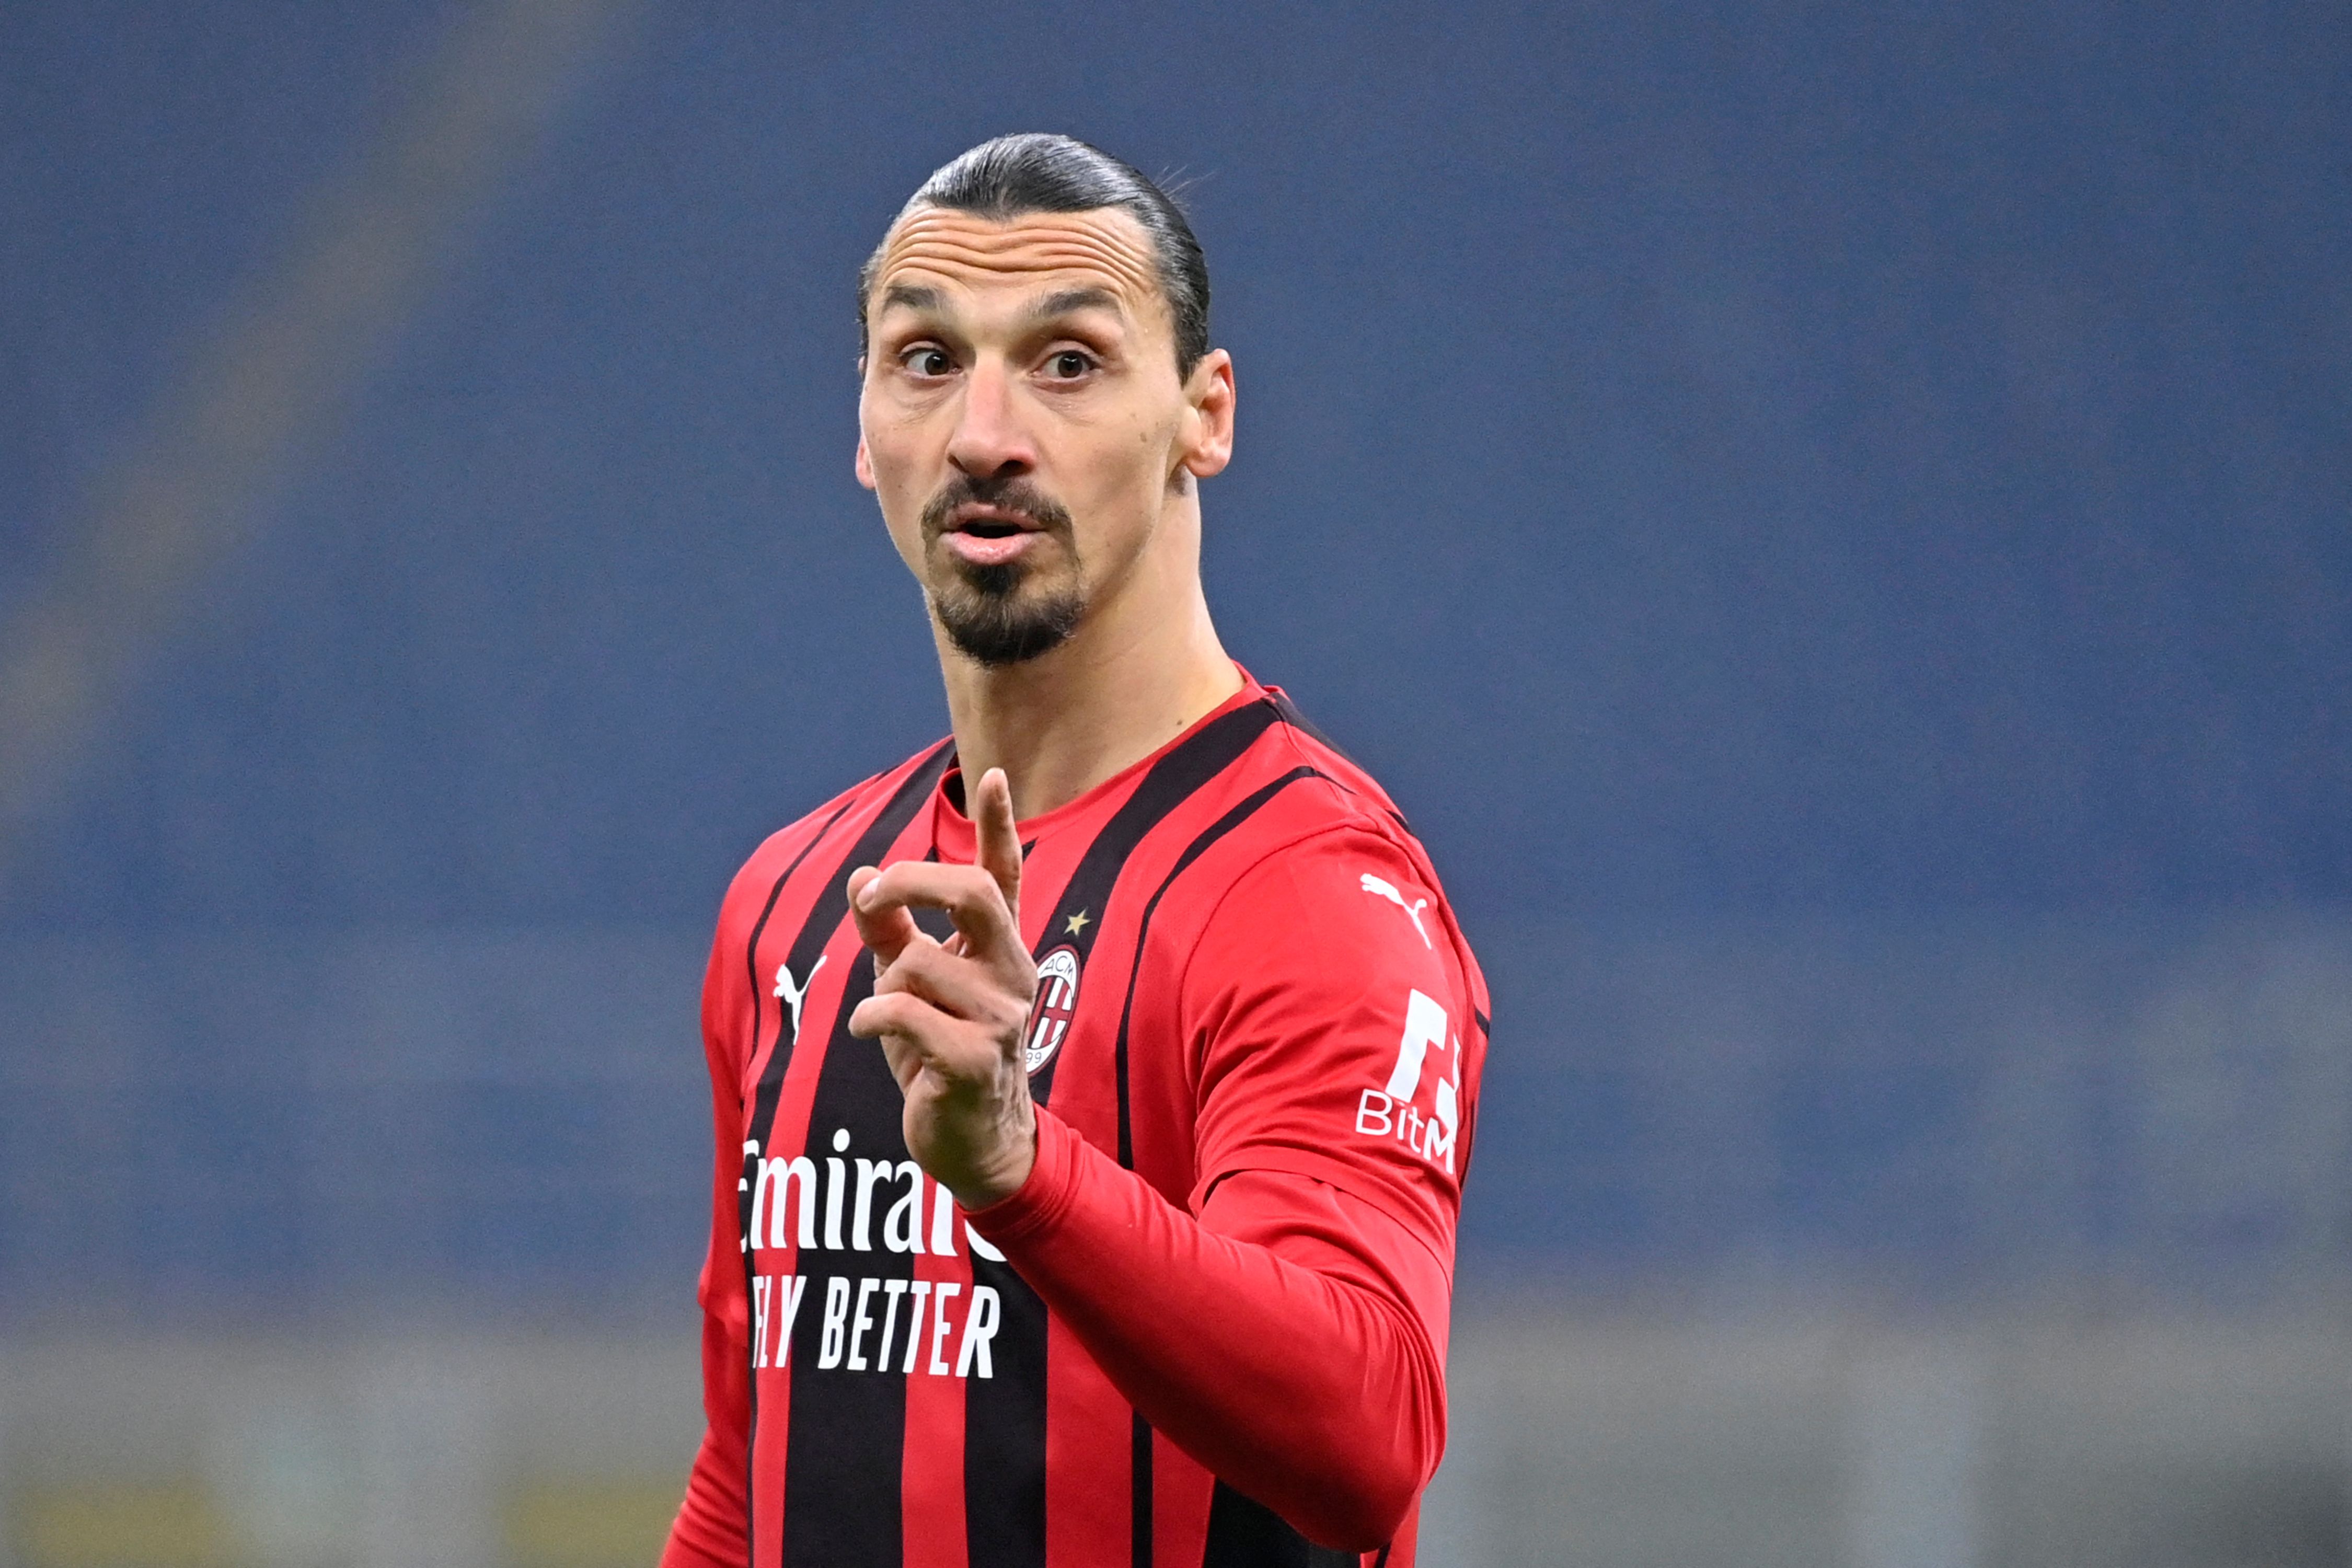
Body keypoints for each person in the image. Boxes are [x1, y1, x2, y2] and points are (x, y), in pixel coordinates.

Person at [662, 133, 1488, 1568]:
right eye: (926, 359)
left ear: (1202, 416)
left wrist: (1019, 1173)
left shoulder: (1308, 892)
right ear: (862, 430)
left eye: (1067, 362)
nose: (985, 431)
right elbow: (751, 1479)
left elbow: (1368, 1435)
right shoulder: (794, 902)